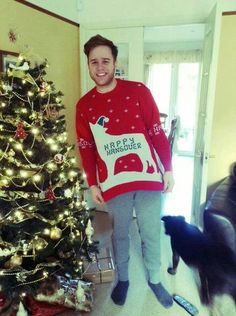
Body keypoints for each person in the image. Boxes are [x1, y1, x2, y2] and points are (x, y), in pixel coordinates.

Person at [76, 34, 174, 308]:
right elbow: (87, 148)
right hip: (114, 182)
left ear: (115, 62)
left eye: (105, 60)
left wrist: (168, 169)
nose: (100, 67)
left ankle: (155, 279)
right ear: (89, 65)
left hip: (148, 179)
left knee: (150, 231)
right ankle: (124, 280)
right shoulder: (84, 106)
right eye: (94, 62)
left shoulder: (139, 91)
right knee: (119, 234)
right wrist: (93, 183)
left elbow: (156, 131)